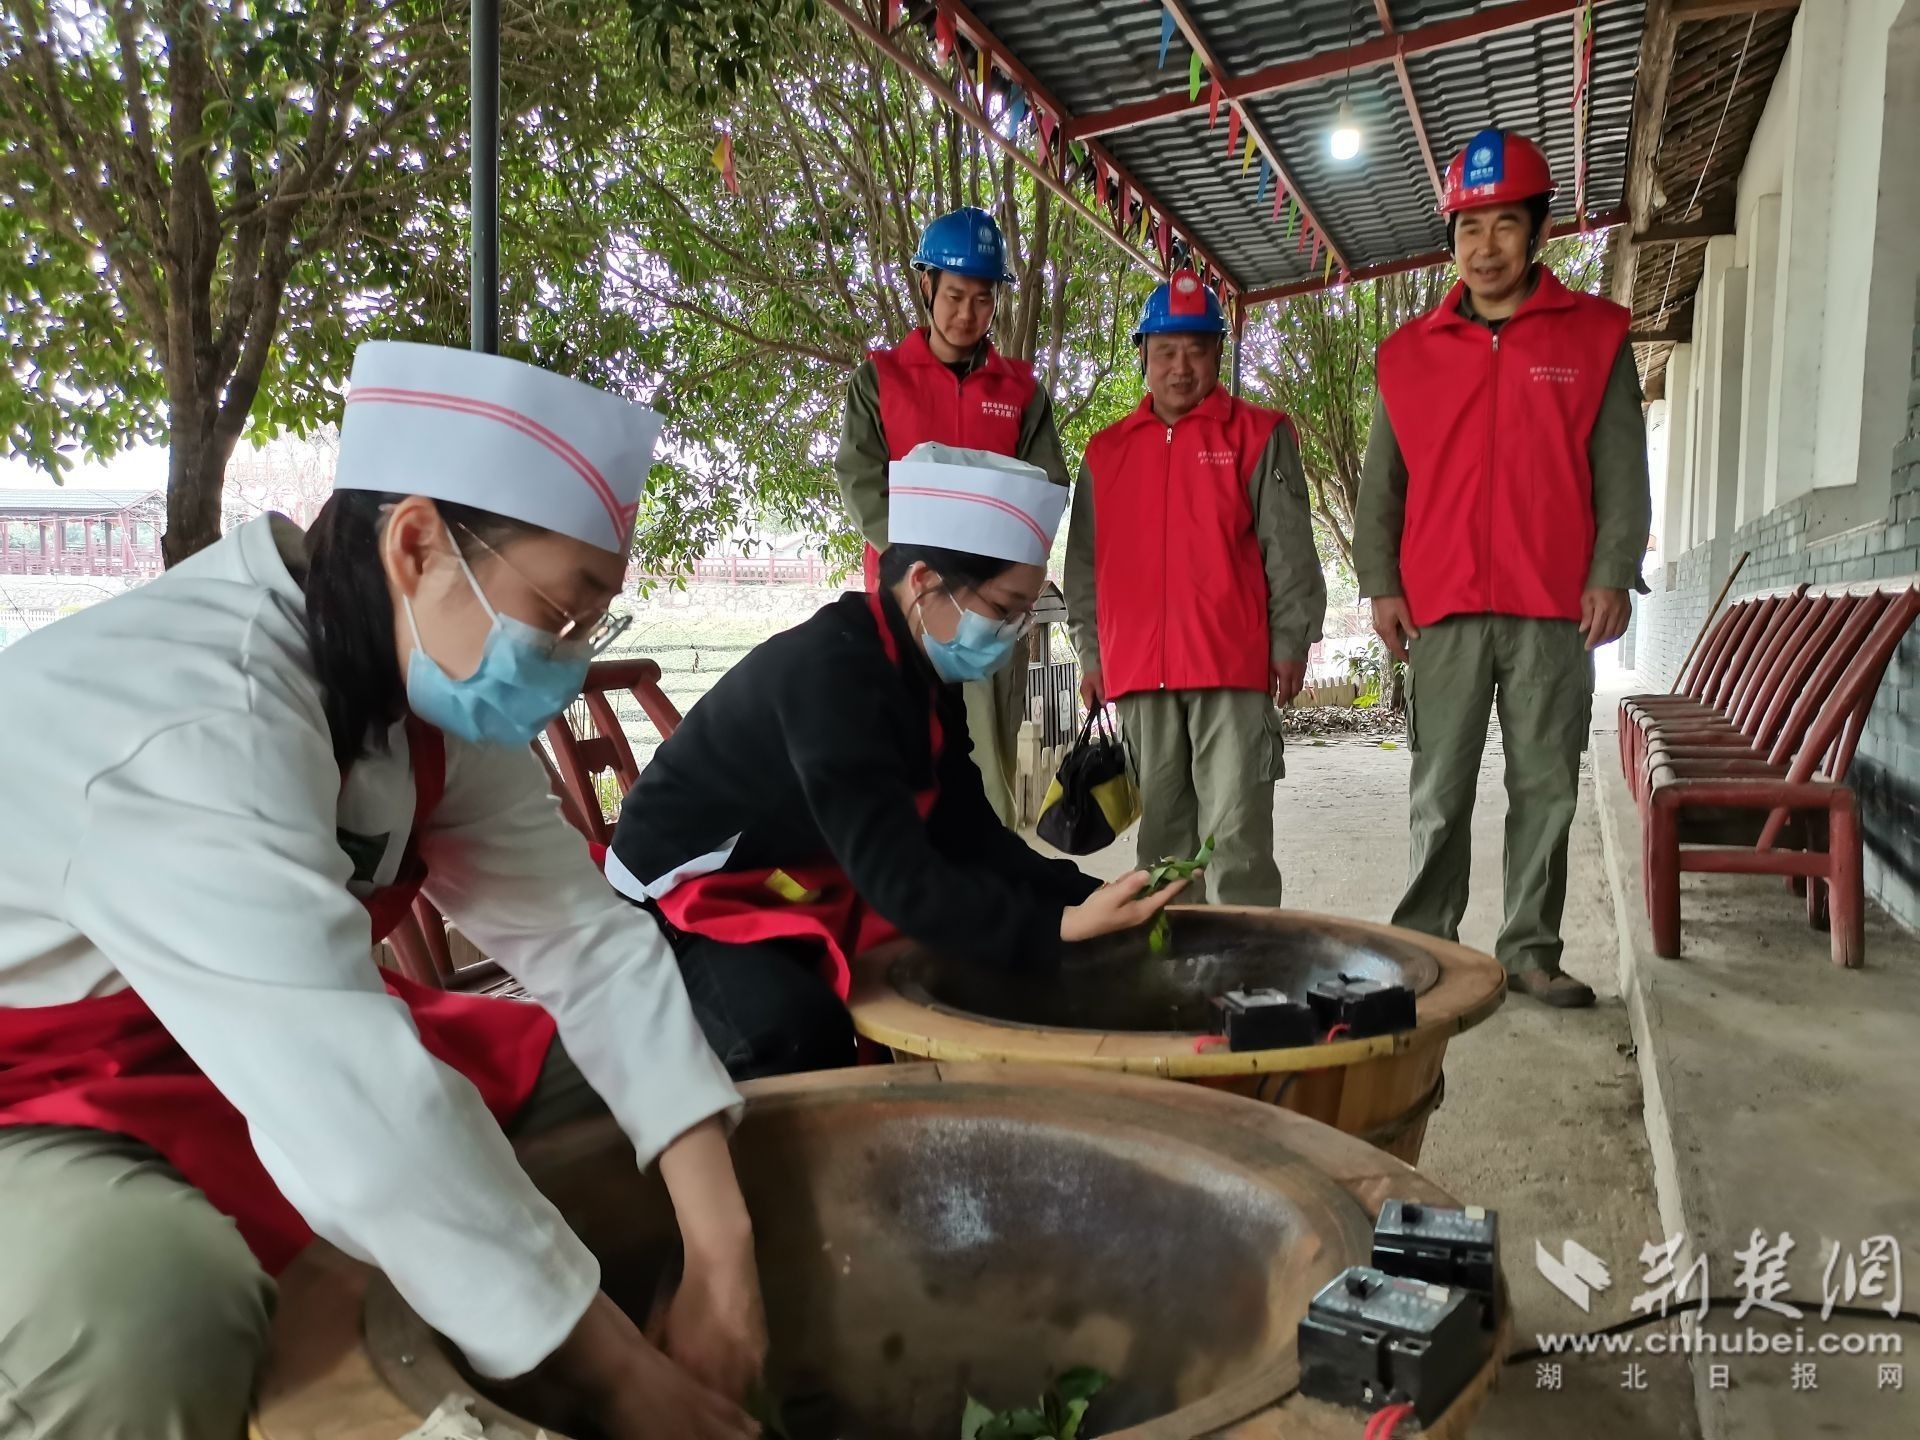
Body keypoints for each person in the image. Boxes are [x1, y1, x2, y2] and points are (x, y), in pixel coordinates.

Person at [0, 342, 767, 1439]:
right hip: (38, 1080)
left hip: (228, 1029)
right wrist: (624, 1383)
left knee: (603, 1103)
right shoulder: (200, 723)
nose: (566, 655)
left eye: (593, 622)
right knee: (144, 1303)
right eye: (559, 610)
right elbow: (351, 1099)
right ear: (415, 544)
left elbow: (585, 946)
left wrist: (723, 1253)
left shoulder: (414, 689)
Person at [607, 445, 1187, 1078]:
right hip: (678, 895)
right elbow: (901, 879)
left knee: (985, 959)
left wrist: (1090, 896)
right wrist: (1057, 927)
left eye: (1026, 612)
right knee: (797, 1032)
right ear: (924, 584)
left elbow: (965, 832)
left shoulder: (923, 670)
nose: (1016, 632)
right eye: (1004, 609)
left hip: (797, 872)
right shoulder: (833, 674)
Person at [1353, 127, 1652, 1009]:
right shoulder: (1408, 357)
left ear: (1537, 233)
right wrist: (1381, 582)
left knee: (1547, 787)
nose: (1487, 247)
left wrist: (1612, 570)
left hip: (1556, 606)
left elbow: (1620, 471)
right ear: (1450, 240)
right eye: (1470, 228)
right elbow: (1383, 486)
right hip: (1440, 606)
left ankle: (1529, 949)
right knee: (1437, 791)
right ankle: (1428, 944)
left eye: (1506, 226)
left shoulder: (1594, 337)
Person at [1063, 269, 1327, 906]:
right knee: (1161, 844)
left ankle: (1247, 978)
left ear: (1217, 353)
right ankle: (1174, 979)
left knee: (1237, 839)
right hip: (1139, 678)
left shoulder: (1260, 436)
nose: (1180, 367)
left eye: (1196, 349)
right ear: (1144, 358)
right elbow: (1084, 567)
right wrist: (1093, 656)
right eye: (1165, 351)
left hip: (1230, 670)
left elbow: (1288, 552)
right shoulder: (1106, 453)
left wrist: (1290, 641)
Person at [833, 206, 1071, 825]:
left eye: (983, 300)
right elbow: (861, 479)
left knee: (983, 758)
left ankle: (986, 876)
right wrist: (912, 559)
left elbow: (1047, 487)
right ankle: (904, 879)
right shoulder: (880, 380)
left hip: (989, 617)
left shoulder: (1022, 391)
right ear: (927, 286)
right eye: (956, 296)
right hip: (904, 603)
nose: (967, 314)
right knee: (899, 744)